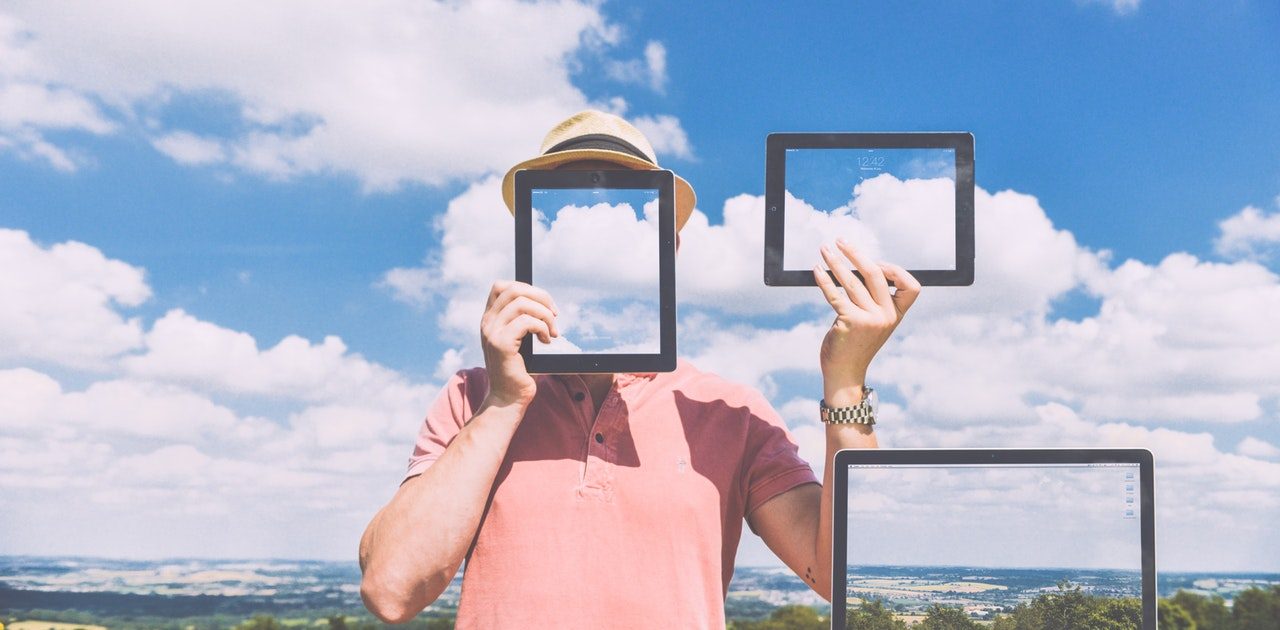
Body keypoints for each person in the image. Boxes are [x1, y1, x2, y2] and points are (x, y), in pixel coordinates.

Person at [357, 110, 921, 628]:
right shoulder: (471, 395)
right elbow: (392, 590)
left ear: (669, 247)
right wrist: (503, 403)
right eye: (563, 211)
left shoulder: (731, 412)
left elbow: (841, 574)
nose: (595, 232)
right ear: (532, 239)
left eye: (627, 214)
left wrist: (846, 380)